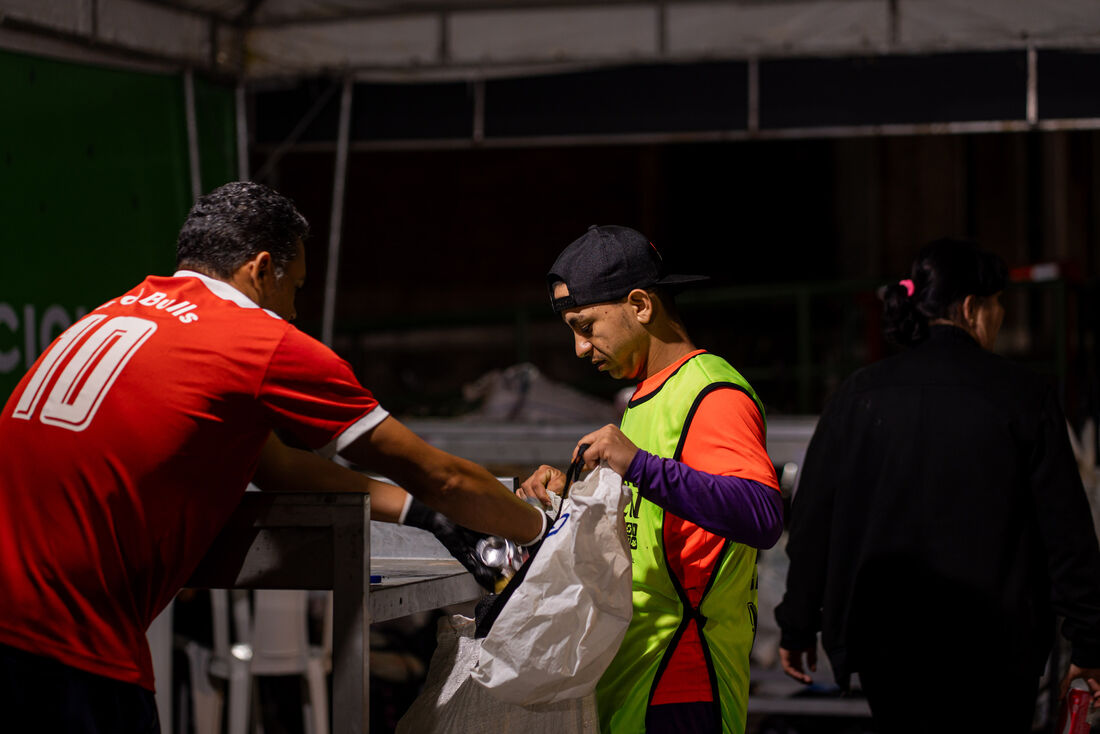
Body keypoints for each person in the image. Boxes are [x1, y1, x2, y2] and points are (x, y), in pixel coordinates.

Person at [0, 181, 546, 733]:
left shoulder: (116, 314)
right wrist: (540, 529)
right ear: (263, 269)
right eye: (297, 287)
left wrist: (419, 514)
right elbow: (439, 475)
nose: (294, 310)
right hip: (65, 648)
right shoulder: (255, 341)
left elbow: (278, 466)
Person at [775, 238, 1100, 733]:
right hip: (998, 649)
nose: (1000, 318)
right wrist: (1089, 641)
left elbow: (813, 519)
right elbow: (1066, 531)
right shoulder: (1024, 395)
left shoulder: (859, 395)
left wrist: (799, 621)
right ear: (971, 308)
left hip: (890, 645)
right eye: (996, 306)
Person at [518, 225, 784, 734]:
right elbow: (651, 521)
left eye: (586, 325)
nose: (578, 347)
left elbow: (762, 513)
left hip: (683, 680)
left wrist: (637, 464)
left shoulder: (711, 390)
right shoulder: (645, 398)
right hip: (634, 677)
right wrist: (570, 496)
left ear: (640, 304)